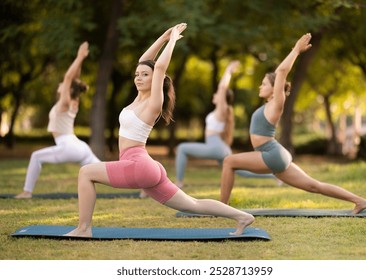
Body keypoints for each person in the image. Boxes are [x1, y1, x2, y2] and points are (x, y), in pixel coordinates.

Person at [65, 23, 254, 238]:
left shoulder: (153, 103)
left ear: (155, 79)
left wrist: (173, 40)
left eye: (144, 75)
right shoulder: (138, 99)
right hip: (145, 166)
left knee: (86, 173)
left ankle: (83, 229)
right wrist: (163, 37)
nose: (138, 77)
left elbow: (160, 68)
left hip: (139, 166)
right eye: (137, 75)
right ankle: (242, 216)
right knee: (192, 204)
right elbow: (144, 60)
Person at [220, 33, 366, 214]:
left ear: (275, 89)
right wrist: (294, 50)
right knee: (314, 186)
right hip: (273, 154)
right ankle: (359, 201)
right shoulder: (268, 105)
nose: (260, 86)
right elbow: (279, 72)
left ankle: (223, 208)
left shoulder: (276, 104)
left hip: (271, 153)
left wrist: (296, 50)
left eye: (264, 84)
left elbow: (282, 72)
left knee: (229, 161)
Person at [174, 60, 281, 190]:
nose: (215, 95)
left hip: (216, 147)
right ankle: (274, 175)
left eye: (218, 94)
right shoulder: (219, 112)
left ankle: (179, 183)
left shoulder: (221, 110)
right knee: (241, 172)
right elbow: (221, 90)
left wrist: (228, 71)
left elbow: (222, 88)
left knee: (182, 148)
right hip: (219, 147)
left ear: (222, 98)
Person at [15, 42, 100, 199]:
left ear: (67, 90)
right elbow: (74, 78)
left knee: (36, 156)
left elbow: (69, 77)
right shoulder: (74, 102)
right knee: (106, 171)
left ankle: (27, 192)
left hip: (68, 146)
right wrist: (80, 60)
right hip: (80, 147)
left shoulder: (64, 103)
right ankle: (142, 187)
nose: (61, 85)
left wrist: (80, 56)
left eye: (63, 85)